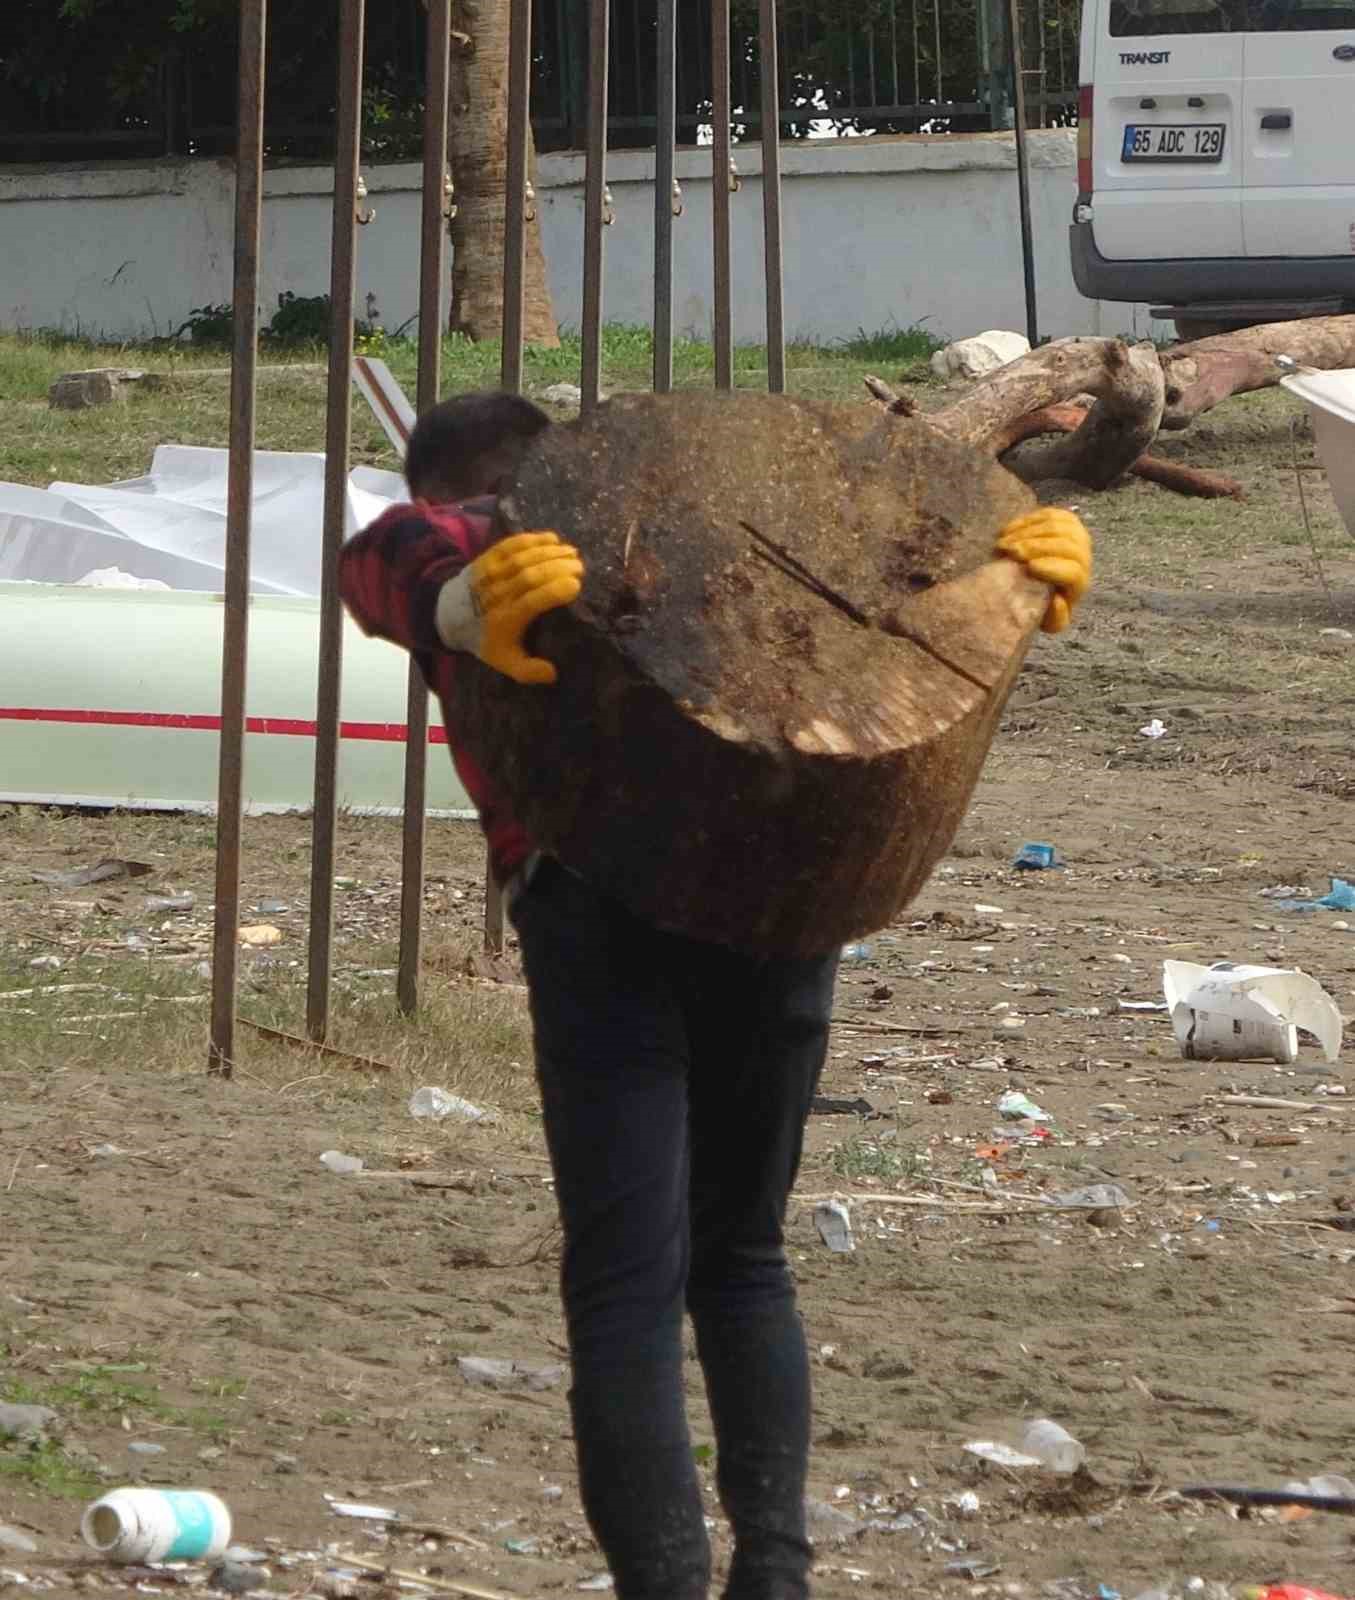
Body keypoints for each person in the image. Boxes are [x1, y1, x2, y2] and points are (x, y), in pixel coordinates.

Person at [338, 391, 1093, 1600]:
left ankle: (666, 1584)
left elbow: (380, 555)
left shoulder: (502, 548)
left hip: (598, 925)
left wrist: (440, 598)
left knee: (627, 1276)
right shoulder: (651, 542)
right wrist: (1012, 566)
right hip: (785, 904)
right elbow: (895, 584)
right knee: (742, 1257)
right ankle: (775, 1576)